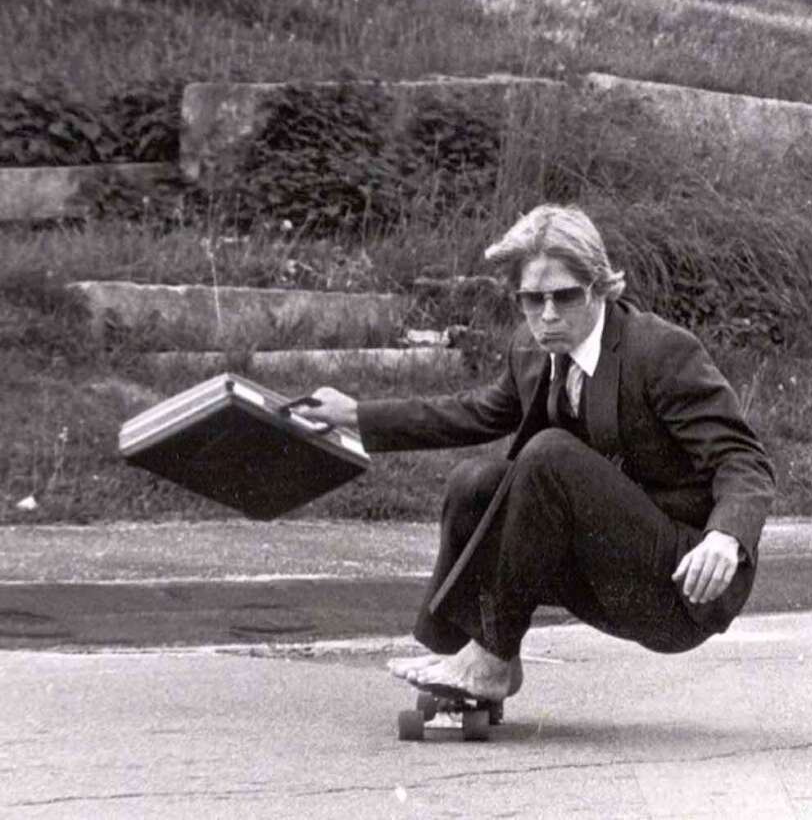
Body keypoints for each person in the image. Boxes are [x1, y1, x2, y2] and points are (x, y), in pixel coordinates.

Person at [297, 203, 775, 702]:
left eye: (565, 297)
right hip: (601, 573)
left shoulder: (657, 352)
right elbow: (473, 412)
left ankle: (490, 660)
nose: (547, 316)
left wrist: (726, 538)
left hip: (680, 585)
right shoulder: (532, 350)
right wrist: (357, 414)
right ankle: (459, 656)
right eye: (532, 299)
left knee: (548, 454)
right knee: (475, 481)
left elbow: (744, 458)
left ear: (598, 288)